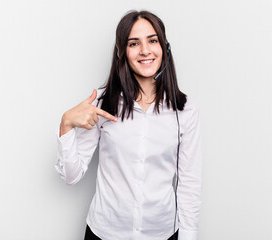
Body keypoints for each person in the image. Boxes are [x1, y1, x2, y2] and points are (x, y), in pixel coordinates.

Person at [55, 10, 202, 240]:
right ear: (122, 52)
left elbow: (189, 182)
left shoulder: (185, 110)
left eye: (152, 40)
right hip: (105, 233)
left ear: (165, 48)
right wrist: (66, 125)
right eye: (134, 43)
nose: (145, 50)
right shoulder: (103, 103)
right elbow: (71, 176)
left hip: (162, 234)